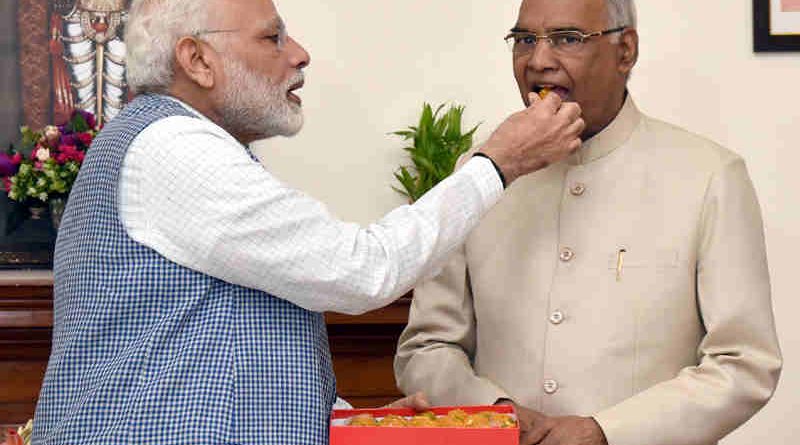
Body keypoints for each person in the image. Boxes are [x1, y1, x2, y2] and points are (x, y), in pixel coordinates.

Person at [30, 0, 585, 444]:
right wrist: (497, 164)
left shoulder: (178, 147)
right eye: (272, 38)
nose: (299, 54)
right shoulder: (172, 148)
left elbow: (224, 336)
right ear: (196, 60)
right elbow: (363, 270)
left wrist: (337, 419)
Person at [394, 1, 783, 445]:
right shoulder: (481, 174)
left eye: (567, 39)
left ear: (625, 51)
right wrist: (494, 413)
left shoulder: (708, 176)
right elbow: (426, 348)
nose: (538, 61)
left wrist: (606, 432)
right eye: (524, 40)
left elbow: (743, 363)